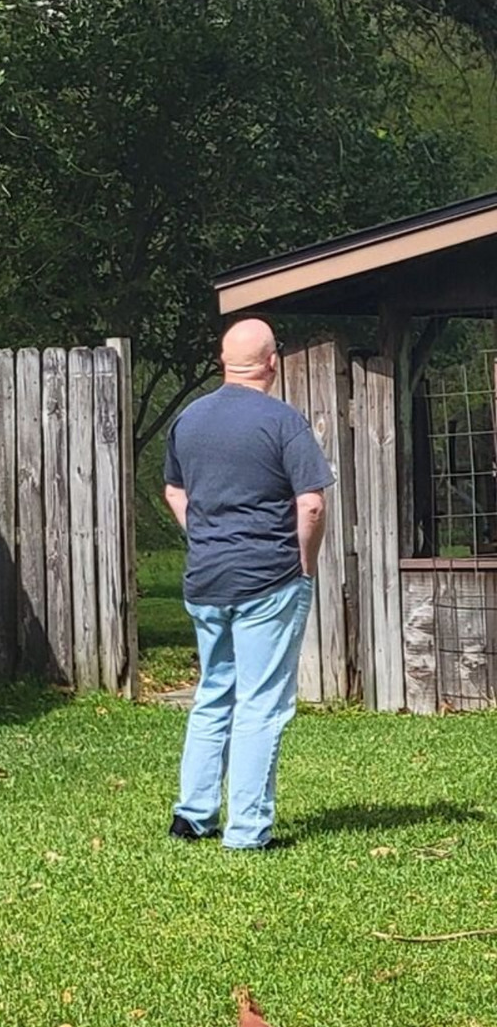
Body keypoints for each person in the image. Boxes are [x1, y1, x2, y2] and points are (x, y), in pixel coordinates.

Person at [163, 318, 330, 850]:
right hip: (268, 578)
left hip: (206, 580)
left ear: (223, 361)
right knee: (262, 703)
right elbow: (311, 502)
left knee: (214, 692)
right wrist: (303, 562)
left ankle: (192, 816)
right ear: (273, 363)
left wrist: (208, 538)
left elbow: (173, 492)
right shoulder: (283, 422)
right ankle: (248, 831)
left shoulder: (188, 420)